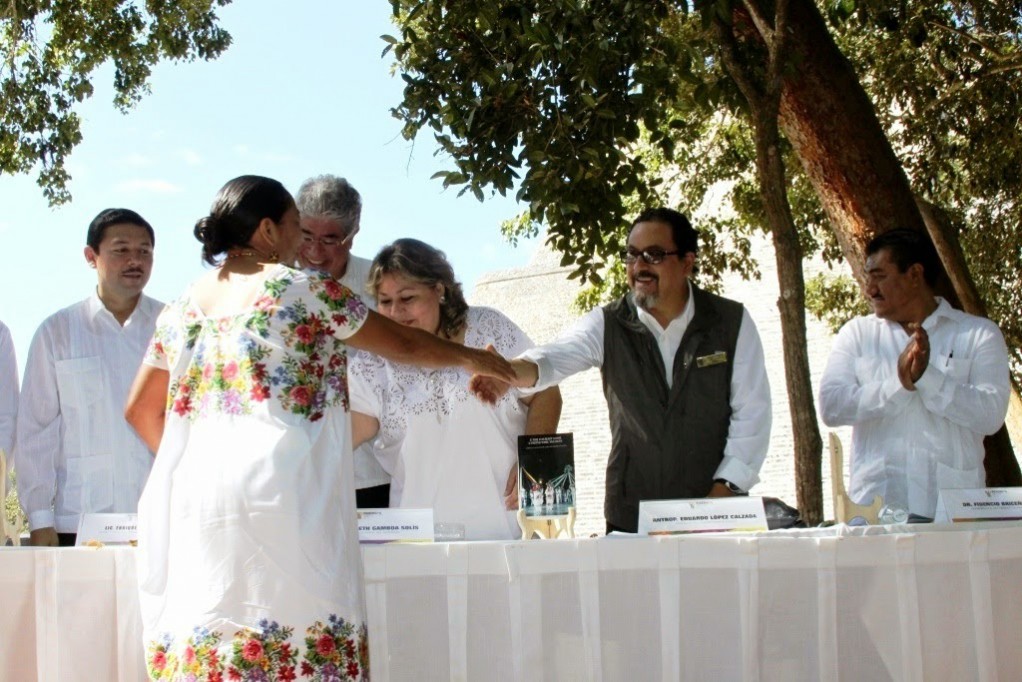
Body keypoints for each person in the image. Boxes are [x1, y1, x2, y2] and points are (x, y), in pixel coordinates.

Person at [124, 176, 514, 679]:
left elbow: (139, 410)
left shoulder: (182, 308)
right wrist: (475, 360)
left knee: (218, 643)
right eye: (295, 228)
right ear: (267, 230)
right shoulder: (305, 289)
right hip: (285, 498)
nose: (303, 246)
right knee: (302, 638)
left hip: (197, 503)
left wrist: (203, 469)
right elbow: (408, 345)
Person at [472, 207, 772, 533]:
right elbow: (554, 357)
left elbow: (752, 418)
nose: (639, 266)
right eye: (631, 255)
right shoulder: (607, 324)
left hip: (718, 516)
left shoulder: (732, 323)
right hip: (631, 519)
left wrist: (719, 499)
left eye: (654, 255)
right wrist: (509, 372)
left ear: (687, 262)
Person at [349, 239, 562, 540]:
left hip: (507, 527)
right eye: (385, 302)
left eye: (407, 298)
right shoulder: (372, 364)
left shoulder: (488, 328)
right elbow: (340, 436)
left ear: (440, 290)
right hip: (419, 543)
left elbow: (546, 392)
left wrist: (534, 460)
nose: (395, 313)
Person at [819, 228, 1010, 519]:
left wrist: (928, 379)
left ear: (914, 274)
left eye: (879, 276)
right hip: (877, 510)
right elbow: (831, 407)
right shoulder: (857, 334)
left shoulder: (977, 334)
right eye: (868, 277)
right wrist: (897, 384)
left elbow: (991, 416)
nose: (869, 289)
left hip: (952, 513)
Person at [15, 208, 161, 547]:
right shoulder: (58, 333)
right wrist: (39, 519)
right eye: (121, 249)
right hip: (78, 522)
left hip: (161, 519)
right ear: (90, 256)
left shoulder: (173, 326)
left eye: (144, 251)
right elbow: (36, 431)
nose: (134, 260)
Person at [295, 174, 390, 509]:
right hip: (294, 475)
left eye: (330, 240)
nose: (314, 252)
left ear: (353, 235)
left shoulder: (383, 284)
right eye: (305, 236)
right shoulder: (272, 288)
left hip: (373, 472)